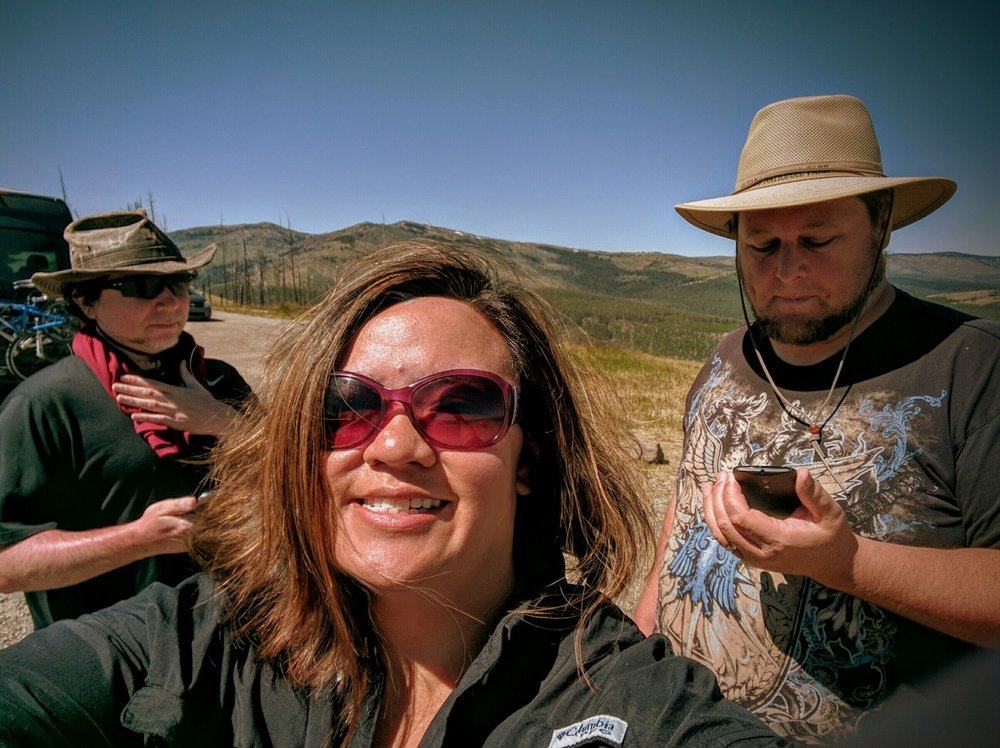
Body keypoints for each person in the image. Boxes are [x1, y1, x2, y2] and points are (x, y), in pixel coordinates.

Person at [0, 243, 781, 746]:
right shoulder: (204, 637)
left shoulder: (623, 699)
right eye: (346, 406)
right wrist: (138, 540)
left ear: (531, 457)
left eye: (463, 406)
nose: (395, 445)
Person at [634, 94, 1000, 742]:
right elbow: (687, 503)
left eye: (817, 240)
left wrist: (849, 562)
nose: (786, 271)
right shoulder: (725, 357)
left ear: (881, 222)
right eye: (762, 245)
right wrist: (643, 643)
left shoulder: (971, 369)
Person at [0, 210, 251, 630]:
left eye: (178, 282)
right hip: (114, 653)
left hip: (234, 634)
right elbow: (7, 562)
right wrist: (139, 540)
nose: (169, 301)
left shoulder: (221, 383)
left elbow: (302, 478)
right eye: (140, 286)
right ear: (85, 301)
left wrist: (230, 424)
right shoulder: (45, 405)